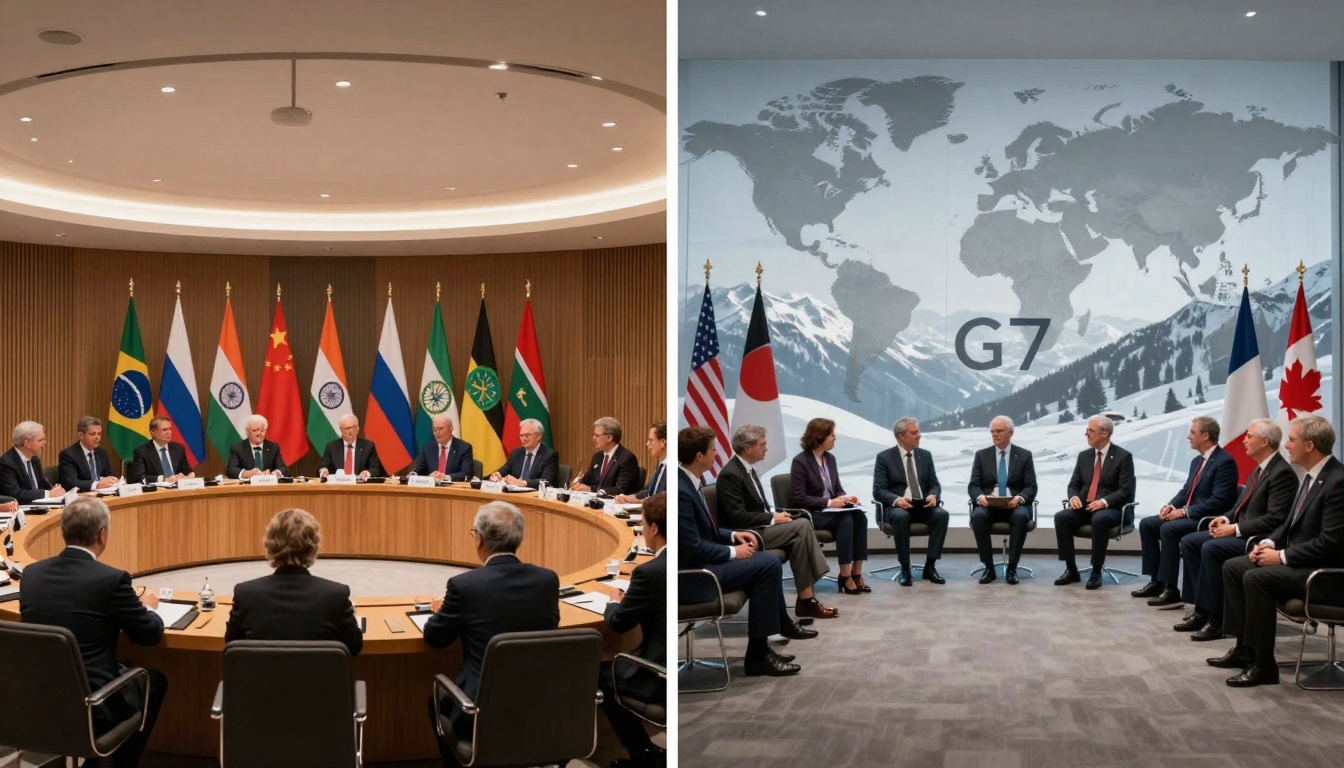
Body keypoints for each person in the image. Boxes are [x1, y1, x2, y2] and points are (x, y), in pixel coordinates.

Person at [19, 497, 167, 768]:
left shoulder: (31, 574)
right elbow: (149, 635)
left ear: (63, 531)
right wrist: (149, 608)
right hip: (94, 703)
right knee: (154, 681)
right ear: (102, 534)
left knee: (124, 665)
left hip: (38, 698)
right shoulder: (111, 580)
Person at [1211, 414, 1344, 687]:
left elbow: (1330, 544)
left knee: (1256, 577)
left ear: (1310, 445)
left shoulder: (1337, 481)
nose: (1286, 445)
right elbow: (1288, 524)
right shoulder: (1310, 476)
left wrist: (1281, 557)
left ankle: (1264, 665)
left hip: (1327, 576)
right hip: (1303, 564)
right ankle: (1244, 649)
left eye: (1292, 440)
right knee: (1235, 567)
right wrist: (1269, 543)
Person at [423, 501, 559, 765]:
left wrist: (441, 610)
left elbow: (435, 638)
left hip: (478, 711)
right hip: (539, 703)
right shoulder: (548, 580)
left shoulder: (465, 586)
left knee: (435, 702)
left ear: (479, 540)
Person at [678, 426, 815, 677]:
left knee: (767, 562)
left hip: (706, 561)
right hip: (695, 575)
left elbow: (706, 530)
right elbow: (690, 547)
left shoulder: (689, 481)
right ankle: (758, 655)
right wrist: (733, 552)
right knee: (767, 564)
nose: (716, 453)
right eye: (711, 450)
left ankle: (761, 650)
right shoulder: (680, 490)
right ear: (699, 456)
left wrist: (732, 535)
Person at [1175, 419, 1295, 639]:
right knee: (1191, 541)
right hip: (1243, 531)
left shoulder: (1281, 473)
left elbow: (1275, 519)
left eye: (1250, 436)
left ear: (1265, 441)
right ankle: (1201, 608)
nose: (1245, 440)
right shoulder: (1260, 468)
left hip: (1257, 539)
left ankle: (1217, 619)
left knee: (1211, 548)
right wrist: (1223, 518)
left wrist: (1235, 529)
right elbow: (1240, 505)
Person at [717, 425, 835, 619]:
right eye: (762, 444)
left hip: (759, 527)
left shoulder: (747, 469)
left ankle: (806, 600)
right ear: (748, 448)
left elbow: (756, 507)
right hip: (748, 534)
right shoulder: (731, 474)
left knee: (799, 533)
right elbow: (737, 517)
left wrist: (776, 516)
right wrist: (772, 518)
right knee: (803, 525)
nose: (766, 448)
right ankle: (808, 597)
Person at [224, 507, 363, 656]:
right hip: (317, 679)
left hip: (262, 679)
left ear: (269, 544)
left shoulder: (245, 594)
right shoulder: (336, 595)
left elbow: (231, 643)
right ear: (313, 546)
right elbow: (354, 646)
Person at [1133, 416, 1237, 606]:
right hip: (1189, 514)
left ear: (1205, 436)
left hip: (1204, 518)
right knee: (1147, 524)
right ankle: (1156, 581)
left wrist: (1183, 512)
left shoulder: (1224, 462)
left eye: (1192, 432)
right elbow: (1185, 492)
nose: (1188, 437)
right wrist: (1171, 506)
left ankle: (1171, 588)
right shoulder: (1197, 461)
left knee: (1169, 529)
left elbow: (1219, 501)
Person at [600, 492, 667, 768]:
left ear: (652, 528)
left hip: (659, 674)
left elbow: (618, 623)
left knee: (600, 674)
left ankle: (641, 754)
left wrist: (613, 601)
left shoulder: (648, 573)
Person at [1054, 415, 1136, 590]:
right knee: (1062, 517)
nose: (1086, 434)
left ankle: (1096, 570)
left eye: (1091, 431)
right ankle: (1071, 569)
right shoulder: (1084, 456)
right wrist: (1073, 497)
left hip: (1113, 509)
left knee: (1099, 519)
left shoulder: (1123, 457)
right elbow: (1073, 485)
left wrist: (1104, 502)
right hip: (1086, 506)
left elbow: (1126, 490)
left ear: (1105, 433)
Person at [789, 417, 868, 594]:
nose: (834, 439)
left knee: (860, 516)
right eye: (831, 435)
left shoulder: (830, 458)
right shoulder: (800, 461)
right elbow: (798, 497)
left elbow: (836, 487)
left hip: (831, 510)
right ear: (819, 437)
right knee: (846, 520)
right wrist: (829, 502)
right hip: (812, 513)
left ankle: (856, 573)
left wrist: (846, 498)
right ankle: (845, 575)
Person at [872, 417, 949, 586]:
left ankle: (930, 566)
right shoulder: (885, 458)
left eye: (918, 432)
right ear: (901, 436)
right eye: (914, 433)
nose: (919, 436)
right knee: (901, 517)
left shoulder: (925, 456)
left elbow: (934, 483)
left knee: (942, 515)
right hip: (898, 507)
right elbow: (878, 491)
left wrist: (934, 495)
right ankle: (905, 567)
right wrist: (897, 500)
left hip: (922, 505)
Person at [967, 415, 1037, 585]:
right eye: (992, 432)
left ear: (1010, 432)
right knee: (978, 516)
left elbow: (1031, 487)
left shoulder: (1024, 455)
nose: (995, 435)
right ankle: (988, 568)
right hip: (990, 506)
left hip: (1015, 506)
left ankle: (1012, 568)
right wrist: (980, 497)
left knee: (1020, 516)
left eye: (999, 431)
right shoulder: (982, 455)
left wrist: (1020, 498)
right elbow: (973, 486)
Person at [571, 416, 641, 495]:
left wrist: (592, 490)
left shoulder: (626, 458)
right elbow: (587, 480)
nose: (593, 438)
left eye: (597, 435)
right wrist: (578, 483)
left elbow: (621, 488)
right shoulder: (597, 457)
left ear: (609, 437)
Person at [0, 420, 66, 502]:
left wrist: (55, 489)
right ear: (27, 443)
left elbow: (42, 485)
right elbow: (15, 494)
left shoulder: (34, 459)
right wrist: (47, 494)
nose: (45, 443)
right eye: (40, 440)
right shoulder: (7, 463)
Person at [489, 418, 558, 488]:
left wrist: (523, 483)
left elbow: (546, 481)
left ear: (538, 436)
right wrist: (498, 474)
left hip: (534, 495)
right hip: (513, 492)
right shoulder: (516, 453)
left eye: (527, 436)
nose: (523, 439)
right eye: (521, 436)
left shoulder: (550, 455)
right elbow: (506, 468)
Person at [58, 416, 119, 491]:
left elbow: (108, 475)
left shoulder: (102, 452)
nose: (97, 437)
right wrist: (96, 485)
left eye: (99, 434)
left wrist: (112, 480)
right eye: (93, 434)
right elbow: (71, 483)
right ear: (81, 435)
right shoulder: (69, 455)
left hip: (103, 494)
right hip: (82, 497)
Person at [128, 417, 196, 484]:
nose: (169, 432)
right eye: (165, 430)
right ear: (153, 432)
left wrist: (190, 475)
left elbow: (187, 470)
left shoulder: (178, 448)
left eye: (170, 429)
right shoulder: (142, 452)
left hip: (178, 489)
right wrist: (163, 479)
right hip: (157, 491)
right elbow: (140, 478)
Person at [318, 413, 384, 479]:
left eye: (354, 427)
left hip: (359, 486)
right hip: (338, 486)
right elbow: (323, 466)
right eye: (347, 428)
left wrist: (368, 473)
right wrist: (324, 470)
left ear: (358, 429)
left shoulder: (368, 446)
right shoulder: (332, 447)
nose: (351, 431)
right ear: (341, 430)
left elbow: (376, 469)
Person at [616, 421, 667, 503]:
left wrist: (635, 501)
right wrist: (628, 497)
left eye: (651, 440)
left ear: (662, 442)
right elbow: (648, 491)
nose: (647, 444)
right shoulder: (660, 464)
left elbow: (663, 502)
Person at [412, 414, 474, 482]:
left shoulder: (463, 448)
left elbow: (467, 473)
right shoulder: (428, 447)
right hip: (432, 489)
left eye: (440, 429)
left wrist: (446, 477)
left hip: (453, 489)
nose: (437, 433)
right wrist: (414, 473)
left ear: (451, 429)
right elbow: (418, 468)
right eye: (434, 430)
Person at [225, 414, 289, 479]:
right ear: (247, 432)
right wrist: (248, 473)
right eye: (254, 430)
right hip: (247, 487)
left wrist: (273, 474)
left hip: (268, 486)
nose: (259, 433)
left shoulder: (273, 447)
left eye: (262, 430)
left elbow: (283, 468)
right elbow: (231, 469)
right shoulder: (238, 448)